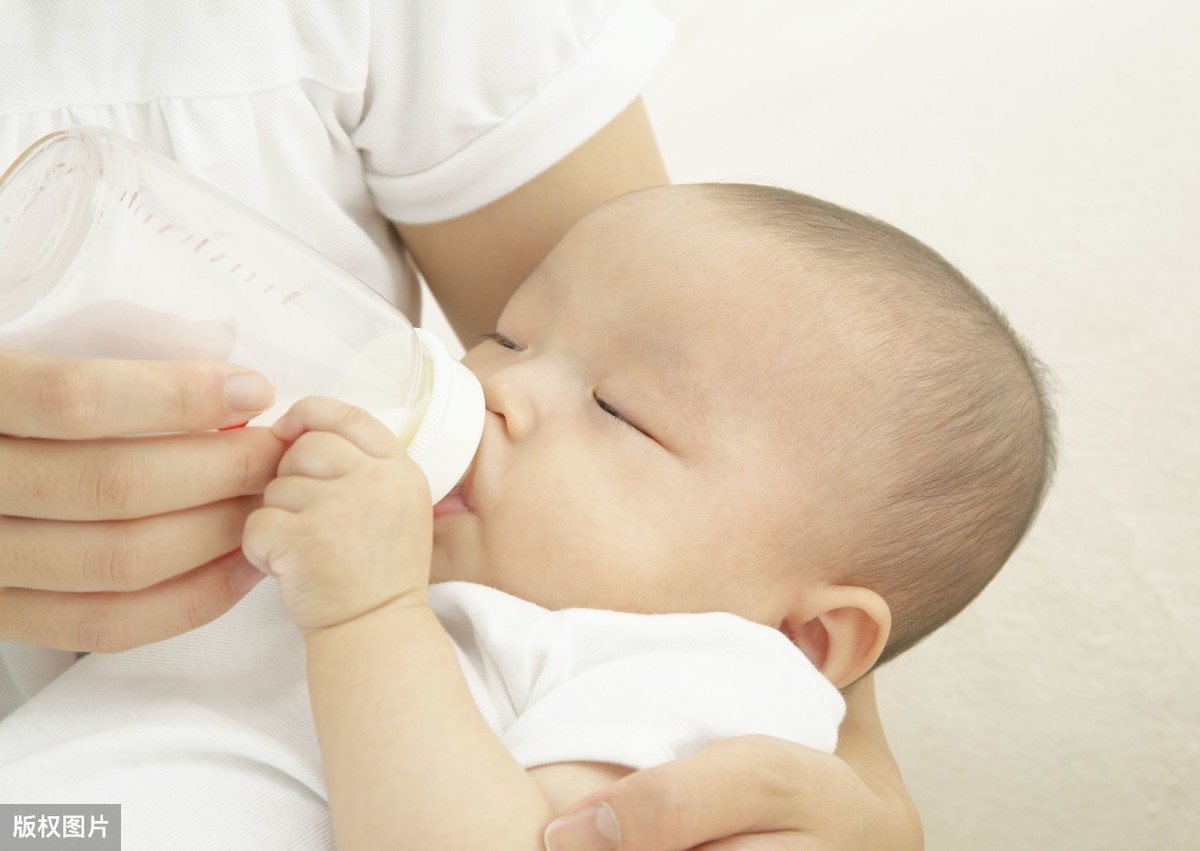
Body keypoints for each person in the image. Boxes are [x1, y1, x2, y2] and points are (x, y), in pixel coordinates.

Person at [0, 2, 923, 848]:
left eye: (617, 411)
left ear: (808, 642)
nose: (493, 391)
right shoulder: (369, 547)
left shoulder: (696, 674)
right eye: (504, 335)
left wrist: (370, 613)